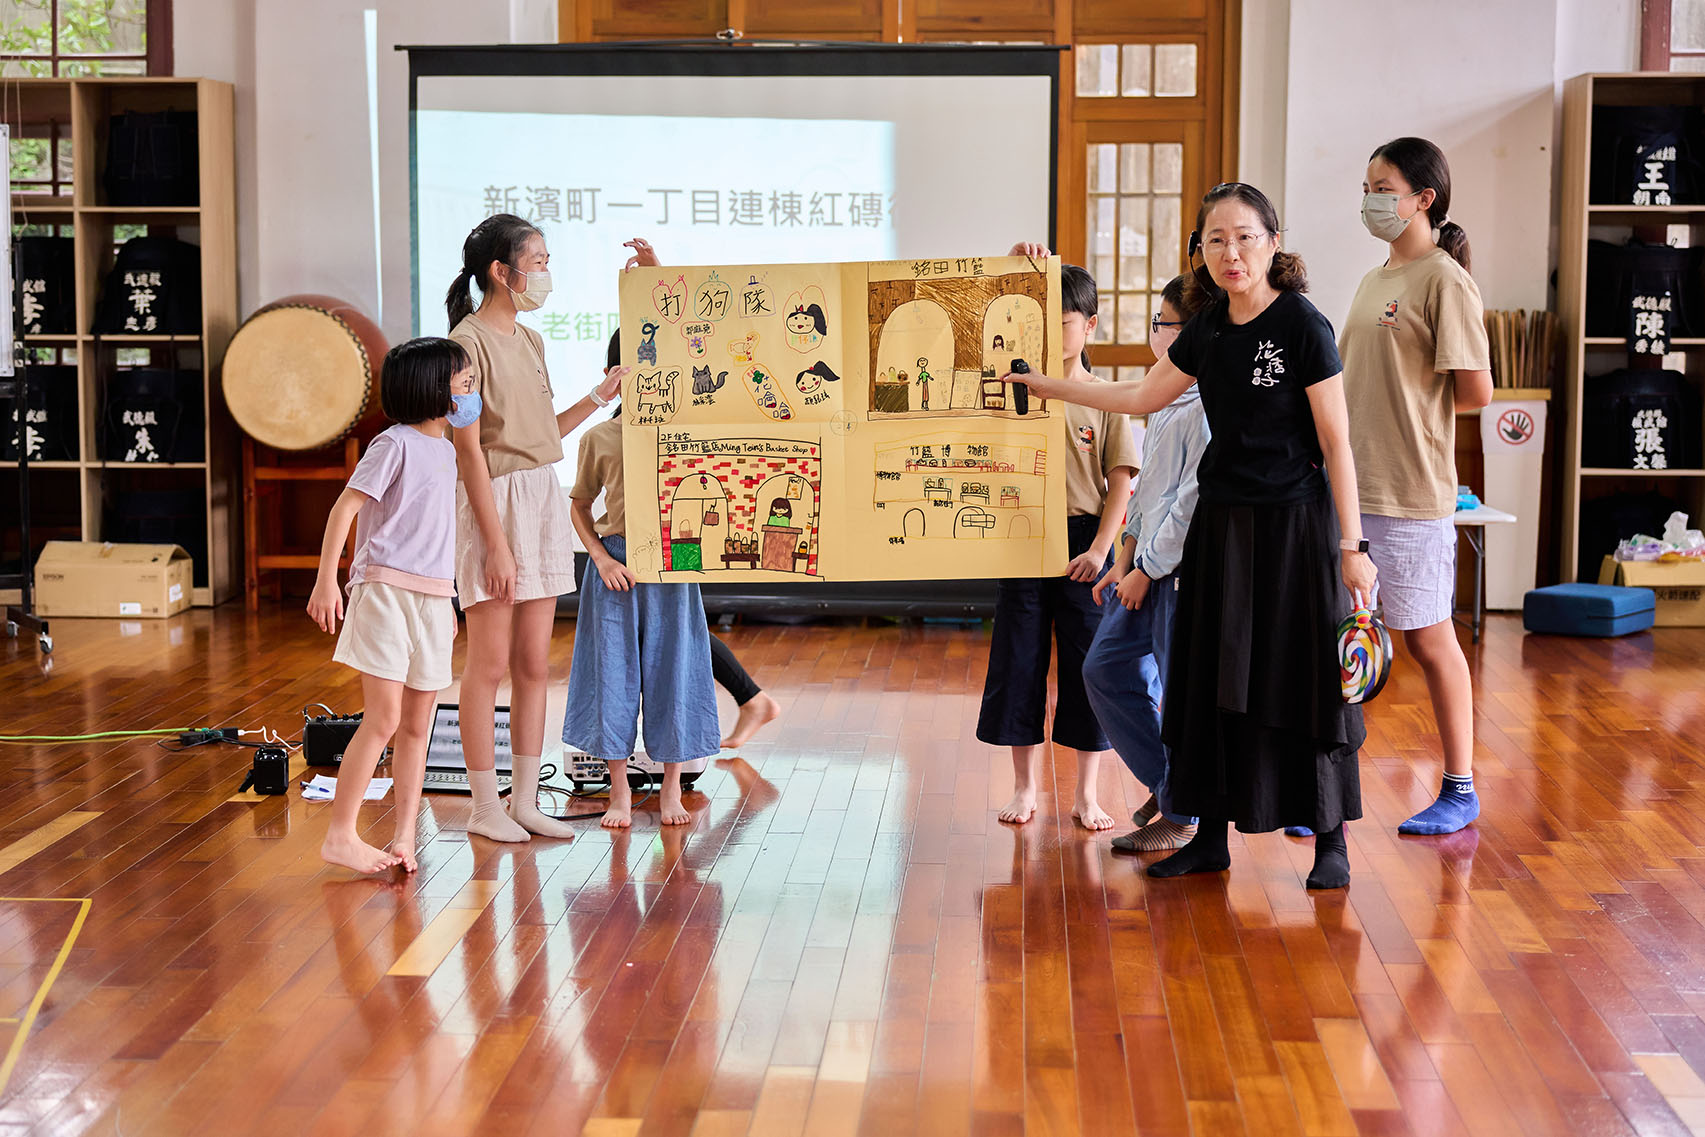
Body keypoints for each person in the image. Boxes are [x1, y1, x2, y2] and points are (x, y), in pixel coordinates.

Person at [1009, 183, 1377, 889]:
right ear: (1200, 251)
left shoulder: (1304, 324)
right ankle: (1209, 838)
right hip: (1220, 531)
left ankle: (1330, 841)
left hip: (1296, 531)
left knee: (1302, 680)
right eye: (1215, 240)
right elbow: (1139, 396)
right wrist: (1052, 387)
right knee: (1206, 682)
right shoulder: (1207, 327)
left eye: (1244, 237)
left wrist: (1351, 548)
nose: (1230, 252)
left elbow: (1337, 443)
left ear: (1272, 242)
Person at [446, 214, 624, 844]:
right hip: (494, 502)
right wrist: (494, 543)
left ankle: (523, 801)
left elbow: (544, 433)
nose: (546, 272)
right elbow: (469, 450)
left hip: (541, 496)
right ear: (502, 271)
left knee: (531, 664)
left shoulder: (531, 340)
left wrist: (601, 395)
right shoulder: (465, 345)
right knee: (488, 663)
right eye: (538, 261)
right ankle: (483, 805)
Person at [1341, 137, 1492, 836]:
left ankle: (1459, 788)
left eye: (1383, 187)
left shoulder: (1443, 279)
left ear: (1422, 199)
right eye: (1367, 187)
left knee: (1429, 641)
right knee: (1345, 636)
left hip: (1410, 491)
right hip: (1351, 490)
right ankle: (1329, 790)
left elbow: (1476, 392)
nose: (1370, 199)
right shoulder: (1374, 279)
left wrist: (1412, 411)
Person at [980, 245, 1139, 830]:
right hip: (1021, 535)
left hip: (1085, 543)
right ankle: (1024, 787)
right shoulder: (1010, 391)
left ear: (1090, 325)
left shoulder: (1107, 398)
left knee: (1086, 666)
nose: (1052, 332)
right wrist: (1013, 266)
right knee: (1019, 660)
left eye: (1065, 322)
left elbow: (1120, 486)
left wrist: (1099, 550)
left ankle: (1086, 794)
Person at [307, 338, 475, 874]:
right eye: (464, 381)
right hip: (383, 592)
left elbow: (438, 533)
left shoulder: (447, 450)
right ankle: (340, 835)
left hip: (432, 600)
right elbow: (345, 509)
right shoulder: (393, 444)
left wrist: (447, 599)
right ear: (432, 388)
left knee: (418, 727)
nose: (470, 390)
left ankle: (404, 836)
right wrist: (326, 581)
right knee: (383, 719)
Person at [616, 246, 783, 750]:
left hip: (677, 527)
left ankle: (748, 701)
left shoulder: (680, 399)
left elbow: (690, 330)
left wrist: (656, 272)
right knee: (669, 624)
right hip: (643, 530)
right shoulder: (620, 422)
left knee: (677, 623)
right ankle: (751, 700)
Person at [1082, 273, 1212, 853]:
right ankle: (1171, 787)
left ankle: (1182, 813)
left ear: (1189, 333)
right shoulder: (1164, 398)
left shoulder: (1205, 404)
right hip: (1143, 567)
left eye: (1162, 324)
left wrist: (1147, 568)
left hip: (1174, 573)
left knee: (1176, 691)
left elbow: (1189, 504)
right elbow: (1148, 493)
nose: (1153, 333)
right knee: (1104, 670)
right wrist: (1124, 556)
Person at [563, 391, 720, 829]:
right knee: (611, 675)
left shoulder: (686, 432)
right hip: (616, 561)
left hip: (674, 557)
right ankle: (619, 790)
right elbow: (579, 505)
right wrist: (601, 559)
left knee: (676, 671)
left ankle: (671, 786)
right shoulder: (599, 437)